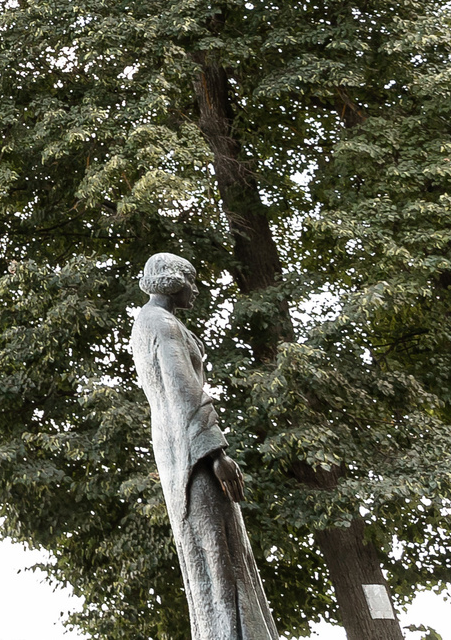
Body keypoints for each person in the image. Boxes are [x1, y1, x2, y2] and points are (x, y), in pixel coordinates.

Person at [131, 253, 280, 640]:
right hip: (193, 456)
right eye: (191, 281)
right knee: (219, 555)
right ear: (173, 281)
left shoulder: (154, 321)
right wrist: (217, 454)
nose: (196, 290)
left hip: (182, 449)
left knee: (217, 552)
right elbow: (185, 391)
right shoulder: (161, 323)